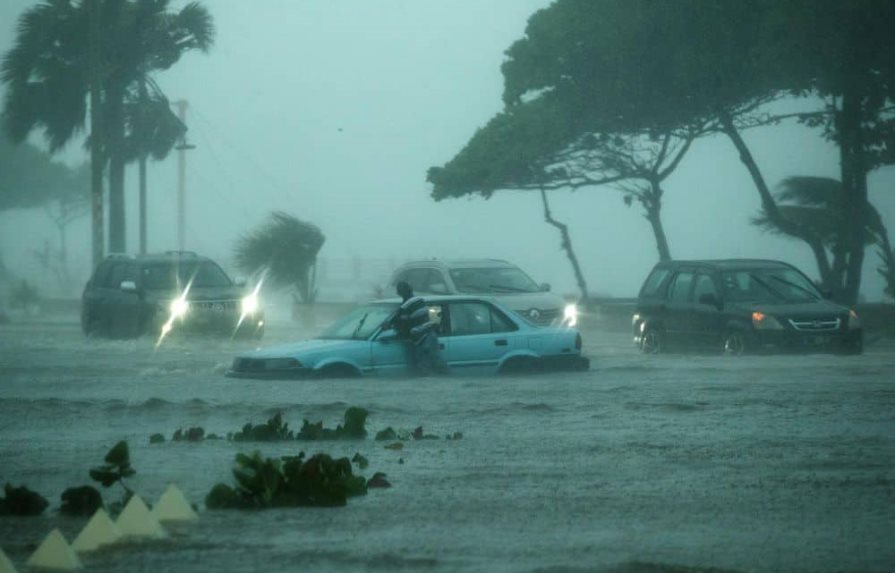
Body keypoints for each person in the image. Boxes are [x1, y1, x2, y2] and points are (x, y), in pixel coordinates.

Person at [392, 281, 445, 375]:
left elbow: (401, 325)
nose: (399, 293)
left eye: (400, 291)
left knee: (423, 370)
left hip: (421, 340)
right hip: (430, 336)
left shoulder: (405, 306)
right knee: (437, 365)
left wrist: (394, 331)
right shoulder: (419, 300)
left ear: (400, 293)